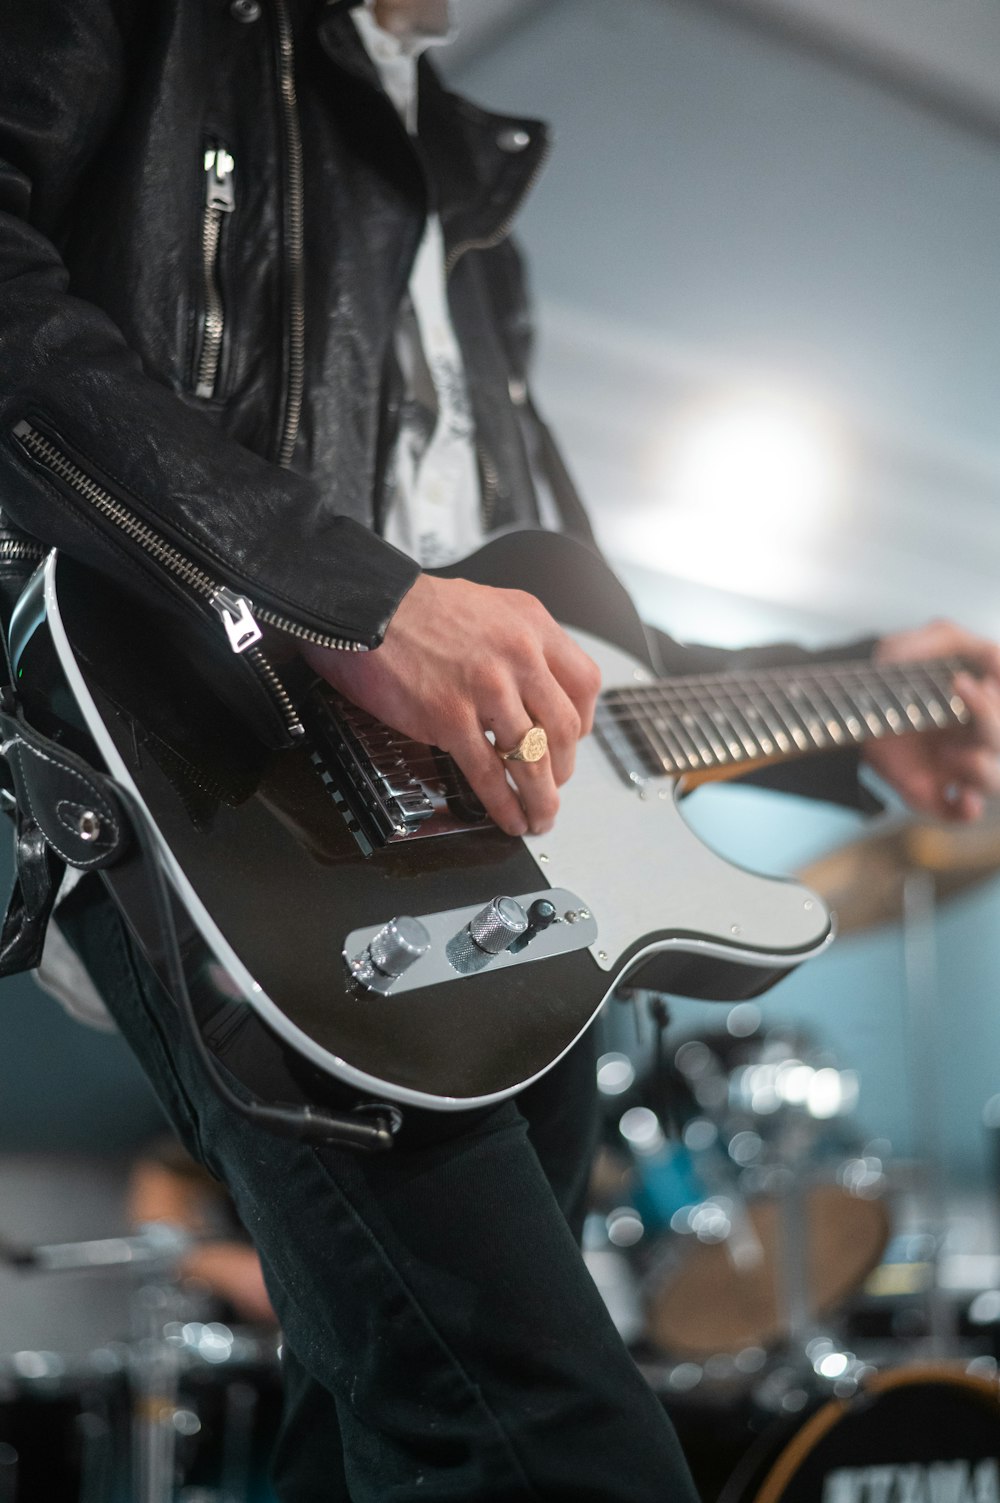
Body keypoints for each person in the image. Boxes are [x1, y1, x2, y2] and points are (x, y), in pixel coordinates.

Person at [2, 2, 1000, 1498]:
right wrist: (359, 603)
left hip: (501, 888)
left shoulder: (467, 208)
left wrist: (865, 698)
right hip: (219, 776)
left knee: (376, 1441)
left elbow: (583, 659)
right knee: (556, 1446)